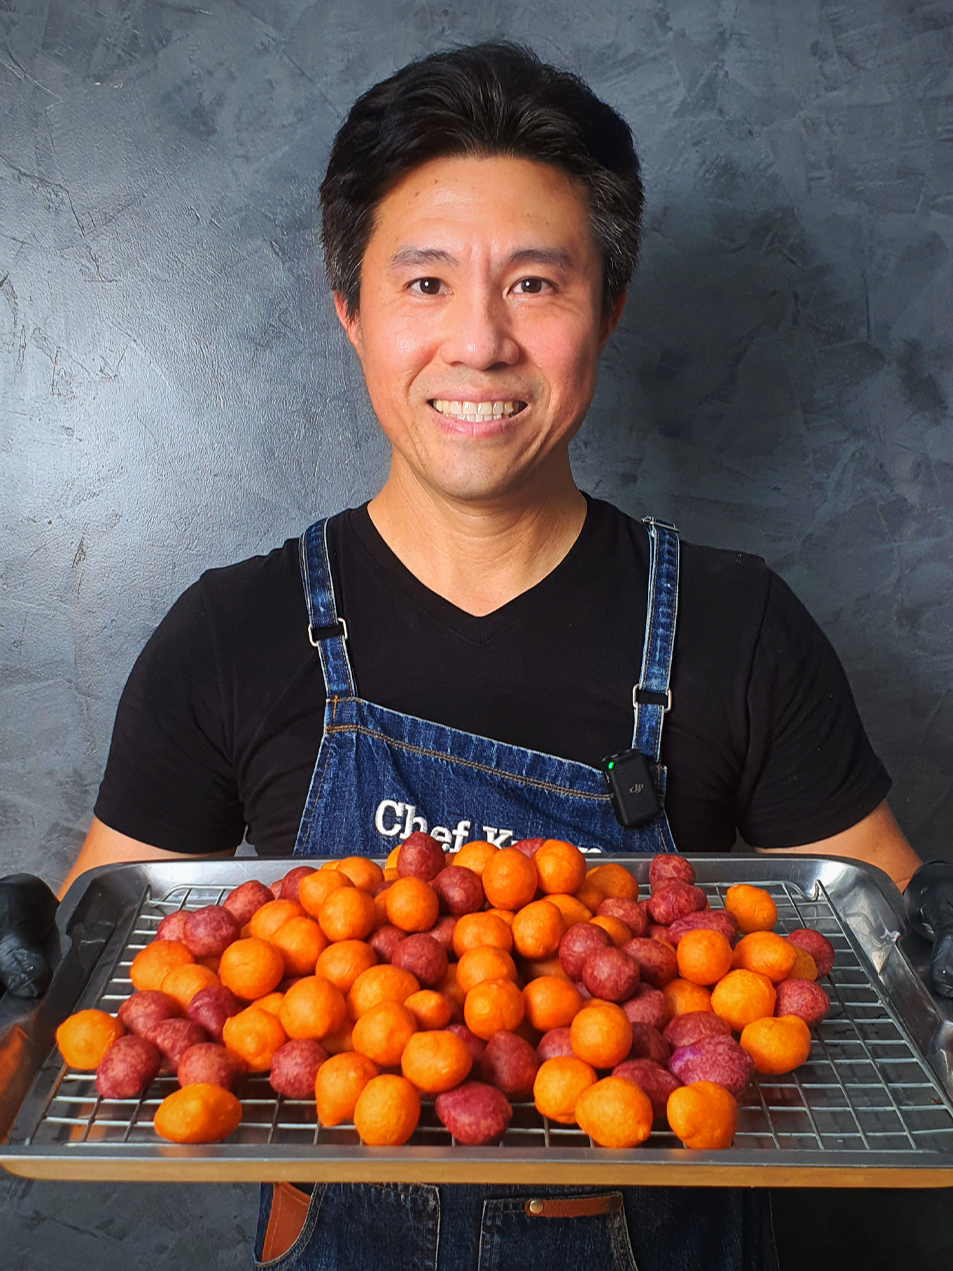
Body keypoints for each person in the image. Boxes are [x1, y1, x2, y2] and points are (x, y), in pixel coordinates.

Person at [2, 40, 952, 1271]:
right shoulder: (230, 636)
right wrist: (17, 994)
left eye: (537, 284)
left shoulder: (739, 624)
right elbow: (81, 1038)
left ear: (604, 309)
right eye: (427, 283)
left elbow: (899, 999)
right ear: (349, 309)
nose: (481, 342)